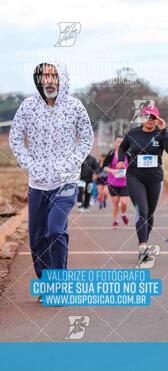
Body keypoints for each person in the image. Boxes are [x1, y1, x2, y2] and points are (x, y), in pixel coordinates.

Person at [9, 62, 93, 299]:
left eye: (53, 75)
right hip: (37, 183)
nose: (49, 80)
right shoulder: (28, 106)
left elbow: (87, 138)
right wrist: (29, 164)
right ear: (39, 79)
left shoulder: (75, 107)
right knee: (37, 237)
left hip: (65, 181)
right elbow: (15, 138)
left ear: (62, 78)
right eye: (45, 76)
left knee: (55, 229)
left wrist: (71, 163)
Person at [118, 105, 168, 267]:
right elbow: (123, 148)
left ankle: (145, 241)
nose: (150, 120)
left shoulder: (160, 134)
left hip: (155, 178)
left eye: (153, 118)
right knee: (142, 210)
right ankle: (142, 247)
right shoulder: (133, 134)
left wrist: (164, 132)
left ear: (157, 119)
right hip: (135, 176)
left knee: (149, 214)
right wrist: (122, 160)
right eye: (147, 117)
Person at [102, 136, 129, 228]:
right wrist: (112, 171)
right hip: (113, 182)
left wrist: (128, 173)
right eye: (118, 142)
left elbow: (134, 166)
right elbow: (104, 167)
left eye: (122, 142)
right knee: (115, 202)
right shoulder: (111, 154)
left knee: (124, 202)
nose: (120, 143)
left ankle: (124, 214)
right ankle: (115, 220)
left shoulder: (128, 154)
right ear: (115, 143)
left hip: (125, 182)